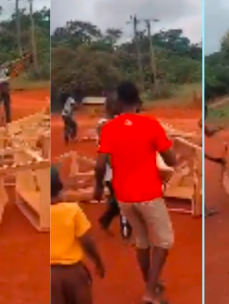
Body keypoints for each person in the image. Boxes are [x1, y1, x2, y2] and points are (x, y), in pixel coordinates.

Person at [94, 81, 177, 304]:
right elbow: (171, 159)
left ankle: (150, 282)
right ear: (138, 101)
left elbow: (100, 165)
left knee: (142, 241)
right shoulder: (150, 124)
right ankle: (150, 291)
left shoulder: (109, 128)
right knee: (164, 242)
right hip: (149, 194)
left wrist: (97, 187)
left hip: (124, 198)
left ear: (119, 102)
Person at [50, 166, 105, 304]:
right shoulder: (73, 210)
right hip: (73, 271)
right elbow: (86, 240)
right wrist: (98, 262)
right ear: (60, 186)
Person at [96, 93, 132, 239]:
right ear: (112, 106)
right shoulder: (103, 124)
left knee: (119, 200)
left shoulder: (116, 121)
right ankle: (126, 232)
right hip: (111, 170)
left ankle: (105, 220)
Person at [203, 105, 226, 217]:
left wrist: (218, 128)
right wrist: (215, 160)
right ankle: (204, 209)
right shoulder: (198, 124)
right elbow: (199, 151)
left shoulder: (201, 123)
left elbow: (208, 133)